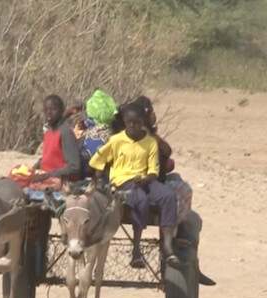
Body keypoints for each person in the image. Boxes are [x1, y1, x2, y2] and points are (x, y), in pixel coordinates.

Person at [122, 96, 216, 286]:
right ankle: (187, 260)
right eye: (150, 112)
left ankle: (189, 263)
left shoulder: (123, 135)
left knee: (177, 183)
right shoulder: (147, 139)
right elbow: (165, 157)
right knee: (191, 217)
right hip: (147, 186)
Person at [88, 103, 180, 268]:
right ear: (124, 122)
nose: (132, 125)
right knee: (141, 200)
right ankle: (136, 250)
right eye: (129, 122)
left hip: (146, 180)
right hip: (123, 182)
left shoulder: (150, 142)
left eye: (136, 122)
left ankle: (167, 246)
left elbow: (153, 171)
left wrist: (145, 179)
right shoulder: (116, 141)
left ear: (143, 122)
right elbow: (98, 161)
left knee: (169, 196)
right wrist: (97, 181)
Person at [32, 94, 81, 185]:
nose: (49, 113)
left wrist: (48, 175)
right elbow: (50, 156)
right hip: (46, 177)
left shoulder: (65, 133)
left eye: (53, 109)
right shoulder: (48, 132)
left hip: (63, 182)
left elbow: (74, 167)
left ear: (62, 111)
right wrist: (33, 169)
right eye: (46, 110)